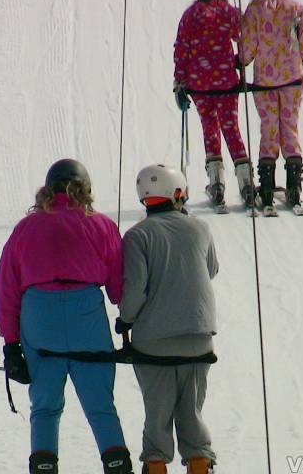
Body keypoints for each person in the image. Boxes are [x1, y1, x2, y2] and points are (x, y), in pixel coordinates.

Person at [0, 159, 133, 474]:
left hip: (39, 318)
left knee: (44, 407)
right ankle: (117, 465)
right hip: (86, 315)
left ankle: (44, 467)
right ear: (84, 189)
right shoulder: (100, 224)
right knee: (100, 406)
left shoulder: (25, 229)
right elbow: (117, 287)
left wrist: (10, 343)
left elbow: (7, 288)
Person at [117, 165, 218, 474]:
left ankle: (157, 464)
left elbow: (134, 289)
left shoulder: (137, 236)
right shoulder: (200, 228)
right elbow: (211, 269)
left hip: (154, 345)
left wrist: (125, 320)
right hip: (199, 339)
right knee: (192, 414)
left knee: (157, 418)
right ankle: (200, 463)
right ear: (178, 193)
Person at [174, 0, 255, 208]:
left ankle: (216, 183)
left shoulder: (190, 15)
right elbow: (244, 37)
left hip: (199, 84)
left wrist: (180, 81)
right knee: (232, 129)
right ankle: (246, 182)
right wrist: (240, 62)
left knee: (209, 128)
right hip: (226, 82)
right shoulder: (228, 13)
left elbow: (181, 49)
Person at [239, 0, 303, 207]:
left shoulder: (255, 8)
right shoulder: (295, 7)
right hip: (292, 78)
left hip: (265, 81)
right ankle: (293, 184)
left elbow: (248, 46)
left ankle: (266, 184)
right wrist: (302, 56)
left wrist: (242, 61)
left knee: (269, 127)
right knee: (290, 126)